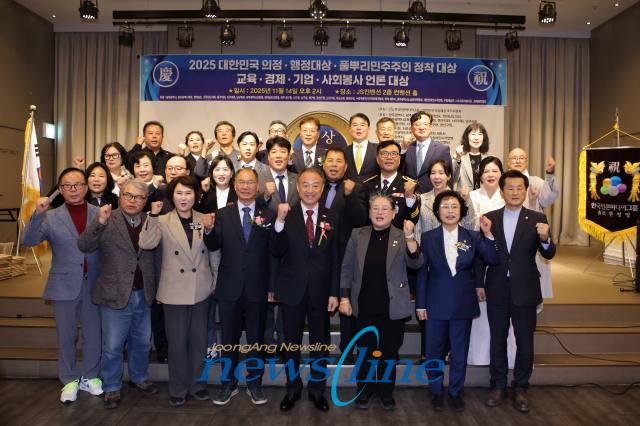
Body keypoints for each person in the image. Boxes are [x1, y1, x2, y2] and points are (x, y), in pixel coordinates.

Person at [22, 168, 103, 404]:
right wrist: (37, 214)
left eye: (78, 185)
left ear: (86, 187)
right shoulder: (51, 216)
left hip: (93, 283)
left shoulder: (100, 213)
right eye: (67, 185)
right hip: (63, 284)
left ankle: (91, 376)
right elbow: (29, 240)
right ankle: (69, 380)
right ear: (60, 189)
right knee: (66, 336)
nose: (73, 190)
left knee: (93, 335)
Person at [77, 178, 159, 409]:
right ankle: (112, 386)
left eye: (139, 197)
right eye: (128, 195)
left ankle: (139, 377)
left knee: (142, 343)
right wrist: (99, 222)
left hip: (144, 292)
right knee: (113, 346)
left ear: (145, 200)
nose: (133, 201)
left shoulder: (151, 220)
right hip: (114, 293)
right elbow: (84, 245)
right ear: (120, 196)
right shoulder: (106, 218)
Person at [139, 175, 218, 407]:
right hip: (174, 289)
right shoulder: (162, 220)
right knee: (177, 343)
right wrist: (152, 215)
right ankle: (178, 388)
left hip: (201, 287)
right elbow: (146, 243)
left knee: (199, 341)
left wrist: (215, 279)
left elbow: (214, 251)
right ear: (172, 196)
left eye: (188, 193)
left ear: (196, 195)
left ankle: (198, 385)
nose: (184, 198)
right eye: (179, 193)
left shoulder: (204, 219)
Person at [416, 190, 498, 412]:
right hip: (435, 303)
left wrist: (488, 235)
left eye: (454, 206)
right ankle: (435, 391)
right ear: (437, 211)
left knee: (459, 351)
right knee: (434, 350)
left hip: (462, 303)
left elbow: (492, 258)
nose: (450, 211)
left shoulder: (472, 236)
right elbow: (422, 274)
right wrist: (420, 304)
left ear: (462, 211)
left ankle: (455, 391)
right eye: (445, 206)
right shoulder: (428, 237)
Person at [339, 194, 422, 411]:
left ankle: (386, 391)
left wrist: (410, 238)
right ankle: (364, 389)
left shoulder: (402, 235)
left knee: (388, 351)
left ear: (394, 213)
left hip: (392, 307)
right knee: (365, 351)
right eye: (375, 208)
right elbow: (346, 268)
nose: (379, 212)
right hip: (364, 305)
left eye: (385, 208)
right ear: (369, 212)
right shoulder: (357, 234)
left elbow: (416, 263)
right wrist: (344, 297)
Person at [483, 170, 555, 413]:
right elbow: (483, 255)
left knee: (525, 341)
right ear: (502, 191)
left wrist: (545, 238)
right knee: (497, 340)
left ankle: (521, 386)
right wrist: (479, 284)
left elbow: (548, 253)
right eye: (510, 188)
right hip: (497, 289)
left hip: (525, 289)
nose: (515, 192)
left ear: (526, 191)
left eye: (519, 188)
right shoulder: (490, 218)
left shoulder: (537, 217)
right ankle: (498, 385)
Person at [270, 168, 339, 413]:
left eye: (315, 185)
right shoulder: (285, 214)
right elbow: (276, 251)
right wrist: (279, 223)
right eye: (305, 185)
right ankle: (293, 387)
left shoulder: (332, 216)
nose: (310, 190)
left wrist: (334, 292)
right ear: (298, 188)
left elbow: (336, 257)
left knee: (320, 342)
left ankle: (317, 389)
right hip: (292, 289)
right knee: (291, 343)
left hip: (321, 291)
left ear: (322, 188)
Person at [206, 168, 275, 406]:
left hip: (258, 286)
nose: (246, 186)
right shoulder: (222, 214)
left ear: (258, 186)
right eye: (241, 182)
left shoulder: (268, 214)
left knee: (256, 339)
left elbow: (273, 254)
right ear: (235, 186)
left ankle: (254, 384)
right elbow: (214, 244)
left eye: (250, 182)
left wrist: (272, 286)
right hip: (229, 286)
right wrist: (208, 230)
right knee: (228, 339)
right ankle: (228, 383)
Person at [467, 156, 517, 368]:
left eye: (495, 171)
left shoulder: (508, 196)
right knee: (481, 311)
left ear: (501, 174)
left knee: (504, 314)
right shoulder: (470, 196)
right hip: (477, 256)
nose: (490, 174)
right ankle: (479, 356)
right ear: (480, 175)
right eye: (486, 171)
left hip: (504, 260)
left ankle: (508, 357)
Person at [320, 147, 369, 362]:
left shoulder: (356, 187)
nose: (334, 165)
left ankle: (348, 349)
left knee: (347, 299)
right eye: (330, 160)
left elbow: (361, 220)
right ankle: (321, 347)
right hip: (320, 253)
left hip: (346, 253)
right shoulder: (315, 186)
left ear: (346, 166)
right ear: (323, 164)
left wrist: (350, 197)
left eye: (338, 161)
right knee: (321, 299)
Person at [506, 148, 559, 301]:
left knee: (531, 277)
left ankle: (533, 306)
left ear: (527, 161)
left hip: (530, 236)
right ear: (508, 162)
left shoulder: (535, 182)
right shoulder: (503, 181)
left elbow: (548, 199)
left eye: (521, 158)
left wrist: (549, 174)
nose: (518, 161)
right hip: (508, 234)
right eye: (514, 158)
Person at [363, 140, 419, 230]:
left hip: (399, 235)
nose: (389, 157)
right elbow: (363, 217)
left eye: (393, 154)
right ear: (377, 159)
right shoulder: (368, 185)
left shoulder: (410, 184)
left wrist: (409, 197)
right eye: (384, 153)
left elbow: (414, 217)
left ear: (399, 159)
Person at [415, 160, 475, 241]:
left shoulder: (458, 199)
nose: (437, 177)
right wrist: (419, 248)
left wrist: (467, 201)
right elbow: (417, 230)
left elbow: (470, 226)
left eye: (441, 173)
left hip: (452, 245)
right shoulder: (421, 199)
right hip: (428, 247)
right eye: (433, 173)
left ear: (449, 176)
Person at [402, 111, 453, 193]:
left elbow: (449, 177)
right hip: (409, 196)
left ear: (430, 127)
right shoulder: (406, 148)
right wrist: (403, 149)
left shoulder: (442, 150)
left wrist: (447, 196)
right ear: (411, 128)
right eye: (417, 124)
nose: (421, 127)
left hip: (433, 196)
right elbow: (399, 172)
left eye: (425, 124)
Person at [258, 136, 300, 210]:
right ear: (268, 157)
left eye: (283, 152)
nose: (278, 156)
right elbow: (251, 204)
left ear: (289, 156)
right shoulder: (258, 178)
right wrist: (265, 196)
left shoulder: (298, 179)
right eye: (274, 152)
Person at [452, 121, 490, 191]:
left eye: (480, 134)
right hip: (464, 197)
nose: (476, 138)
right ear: (467, 137)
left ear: (484, 138)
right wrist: (458, 158)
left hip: (483, 197)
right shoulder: (459, 157)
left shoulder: (488, 159)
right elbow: (453, 179)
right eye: (473, 134)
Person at [344, 113, 380, 183]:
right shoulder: (343, 152)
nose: (358, 128)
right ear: (349, 129)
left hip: (373, 189)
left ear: (369, 129)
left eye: (362, 125)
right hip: (349, 189)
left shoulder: (378, 149)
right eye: (355, 125)